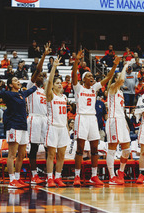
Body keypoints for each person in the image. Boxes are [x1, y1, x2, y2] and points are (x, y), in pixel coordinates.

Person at [0, 76, 37, 189]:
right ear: (10, 85)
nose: (18, 81)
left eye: (17, 80)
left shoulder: (22, 94)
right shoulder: (8, 94)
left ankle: (18, 178)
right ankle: (12, 180)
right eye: (15, 80)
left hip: (23, 127)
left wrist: (40, 84)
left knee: (22, 155)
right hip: (13, 127)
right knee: (12, 155)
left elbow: (31, 89)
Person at [72, 51, 119, 186]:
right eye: (89, 76)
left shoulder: (94, 88)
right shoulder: (78, 88)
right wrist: (76, 61)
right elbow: (74, 75)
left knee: (94, 149)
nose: (92, 77)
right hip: (81, 118)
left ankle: (94, 175)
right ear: (83, 79)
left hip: (92, 119)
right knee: (80, 149)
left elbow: (109, 76)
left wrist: (115, 66)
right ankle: (77, 176)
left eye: (92, 75)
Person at [26, 43, 51, 186]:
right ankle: (34, 175)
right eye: (40, 75)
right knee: (34, 148)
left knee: (48, 147)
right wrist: (44, 56)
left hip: (45, 119)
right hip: (34, 118)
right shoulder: (31, 86)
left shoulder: (45, 91)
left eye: (44, 76)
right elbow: (38, 69)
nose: (42, 77)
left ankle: (49, 175)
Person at [45, 57, 70, 187]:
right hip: (52, 127)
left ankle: (58, 177)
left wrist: (67, 128)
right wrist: (54, 67)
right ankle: (49, 178)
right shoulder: (50, 95)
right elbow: (49, 82)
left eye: (61, 83)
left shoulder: (64, 97)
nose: (60, 85)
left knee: (61, 155)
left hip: (62, 128)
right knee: (51, 154)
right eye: (57, 83)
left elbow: (65, 115)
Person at [105, 63, 132, 185]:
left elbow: (121, 109)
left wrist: (126, 122)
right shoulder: (112, 88)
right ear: (115, 79)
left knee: (127, 150)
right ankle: (111, 176)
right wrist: (125, 65)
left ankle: (120, 172)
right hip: (113, 120)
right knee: (112, 149)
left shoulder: (120, 92)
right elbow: (121, 79)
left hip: (121, 120)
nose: (122, 79)